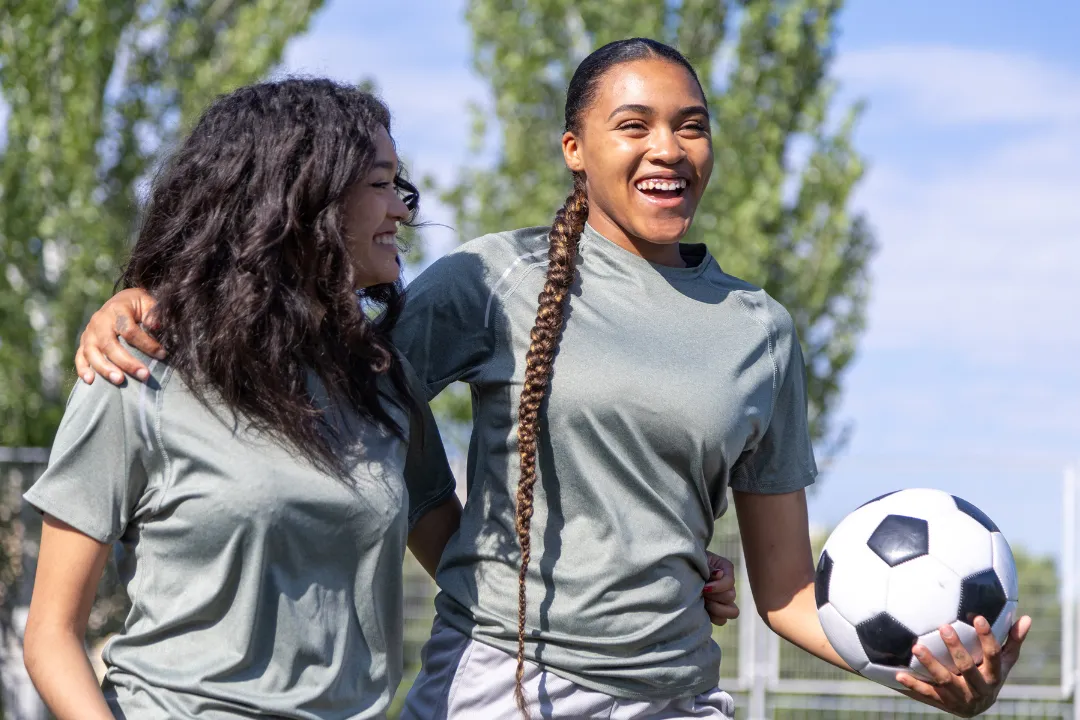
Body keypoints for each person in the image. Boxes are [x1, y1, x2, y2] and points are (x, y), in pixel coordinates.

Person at [74, 39, 1031, 720]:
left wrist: (919, 672)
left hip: (675, 692)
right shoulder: (488, 281)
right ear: (576, 150)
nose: (668, 148)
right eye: (634, 124)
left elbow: (783, 593)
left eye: (690, 126)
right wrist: (145, 296)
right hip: (498, 682)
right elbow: (322, 383)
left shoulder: (762, 333)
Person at [23, 79, 462, 720]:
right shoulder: (137, 367)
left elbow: (468, 572)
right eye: (379, 183)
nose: (401, 208)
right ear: (299, 197)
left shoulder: (385, 389)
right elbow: (50, 636)